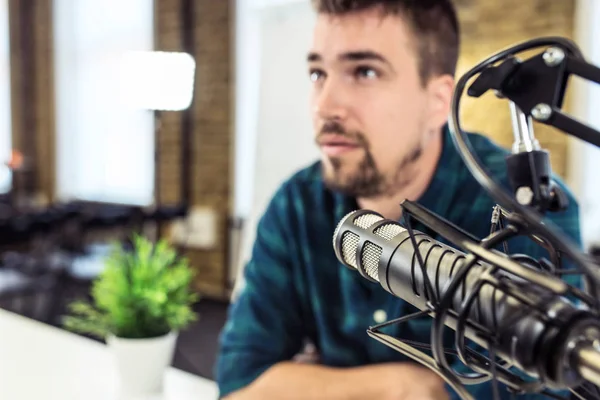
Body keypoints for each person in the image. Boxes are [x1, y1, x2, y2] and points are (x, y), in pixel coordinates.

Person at [215, 1, 582, 399]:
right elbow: (241, 383)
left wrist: (313, 384)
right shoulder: (296, 206)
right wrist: (408, 386)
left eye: (365, 72)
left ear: (438, 101)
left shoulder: (524, 211)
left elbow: (547, 392)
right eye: (318, 73)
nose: (324, 106)